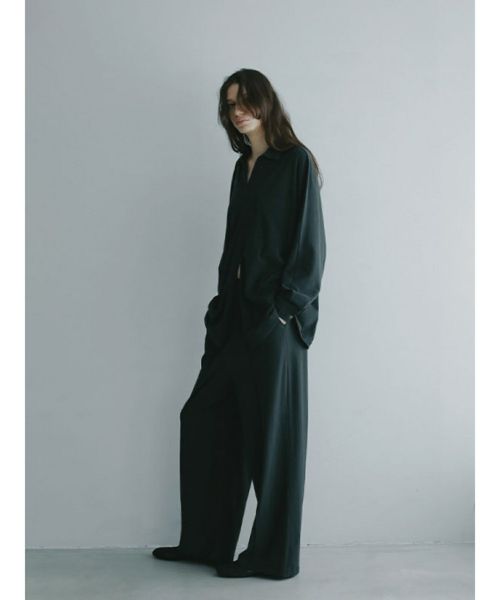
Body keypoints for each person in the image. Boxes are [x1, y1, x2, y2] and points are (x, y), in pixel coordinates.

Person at [152, 68, 327, 580]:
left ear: (266, 103)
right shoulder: (242, 167)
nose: (238, 111)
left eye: (246, 101)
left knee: (272, 443)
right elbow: (236, 243)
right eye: (230, 104)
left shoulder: (295, 162)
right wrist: (221, 304)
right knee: (205, 419)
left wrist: (282, 309)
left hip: (275, 321)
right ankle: (207, 542)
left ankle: (273, 557)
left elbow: (310, 247)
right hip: (233, 316)